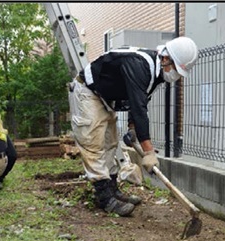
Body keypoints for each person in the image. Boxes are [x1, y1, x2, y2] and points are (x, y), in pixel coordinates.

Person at [69, 36, 198, 216]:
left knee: (110, 143)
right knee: (93, 143)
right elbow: (139, 108)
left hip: (106, 97)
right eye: (176, 69)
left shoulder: (156, 73)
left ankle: (112, 189)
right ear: (166, 58)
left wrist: (132, 128)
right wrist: (148, 152)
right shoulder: (140, 65)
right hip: (89, 92)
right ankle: (104, 196)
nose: (175, 75)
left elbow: (138, 98)